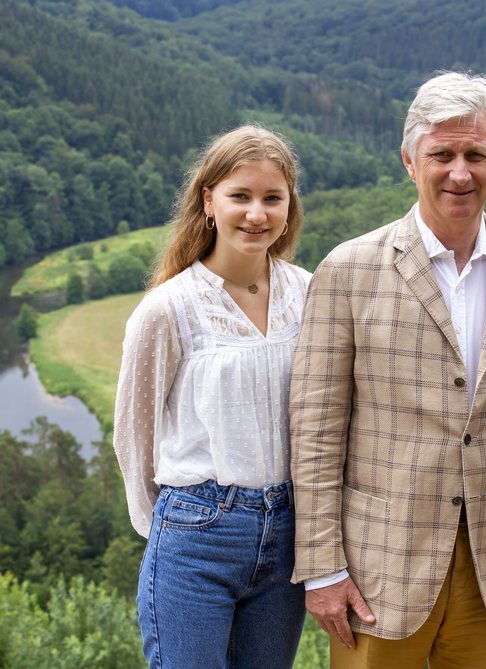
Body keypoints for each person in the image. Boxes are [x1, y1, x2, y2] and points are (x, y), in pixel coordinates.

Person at [289, 71, 486, 669]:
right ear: (409, 161)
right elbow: (315, 433)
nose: (460, 172)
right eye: (441, 154)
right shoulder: (348, 270)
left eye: (476, 154)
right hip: (377, 568)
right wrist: (321, 566)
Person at [113, 125, 310, 668]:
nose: (257, 213)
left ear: (289, 205)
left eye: (273, 198)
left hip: (288, 536)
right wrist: (170, 529)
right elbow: (134, 435)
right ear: (208, 201)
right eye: (239, 196)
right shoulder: (169, 309)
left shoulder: (309, 293)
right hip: (197, 535)